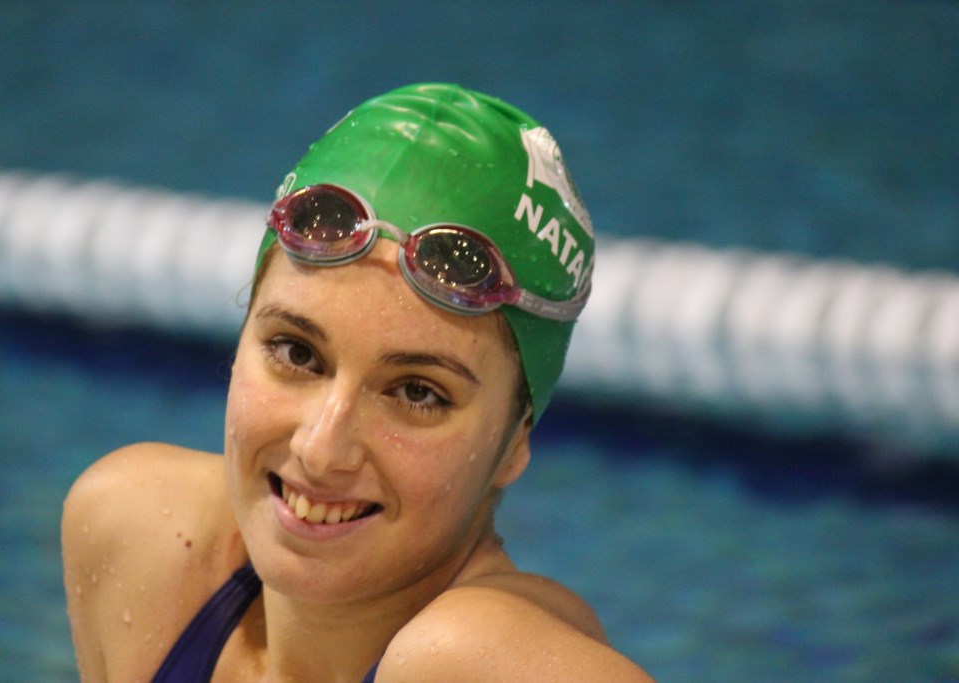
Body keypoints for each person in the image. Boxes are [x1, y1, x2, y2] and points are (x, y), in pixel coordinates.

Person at [62, 83, 654, 683]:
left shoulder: (466, 660)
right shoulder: (142, 540)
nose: (320, 450)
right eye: (297, 352)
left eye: (418, 392)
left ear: (514, 441)